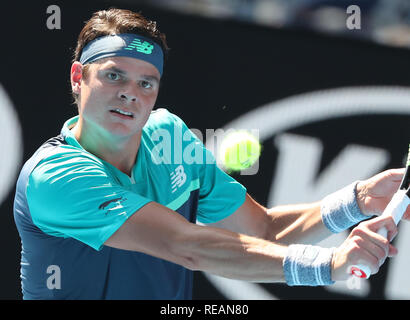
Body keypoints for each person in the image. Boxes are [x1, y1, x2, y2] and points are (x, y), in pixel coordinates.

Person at [13, 8, 410, 300]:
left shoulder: (169, 135)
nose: (131, 93)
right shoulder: (55, 176)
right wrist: (328, 265)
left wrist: (356, 201)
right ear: (78, 77)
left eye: (147, 83)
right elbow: (187, 246)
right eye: (114, 75)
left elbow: (262, 232)